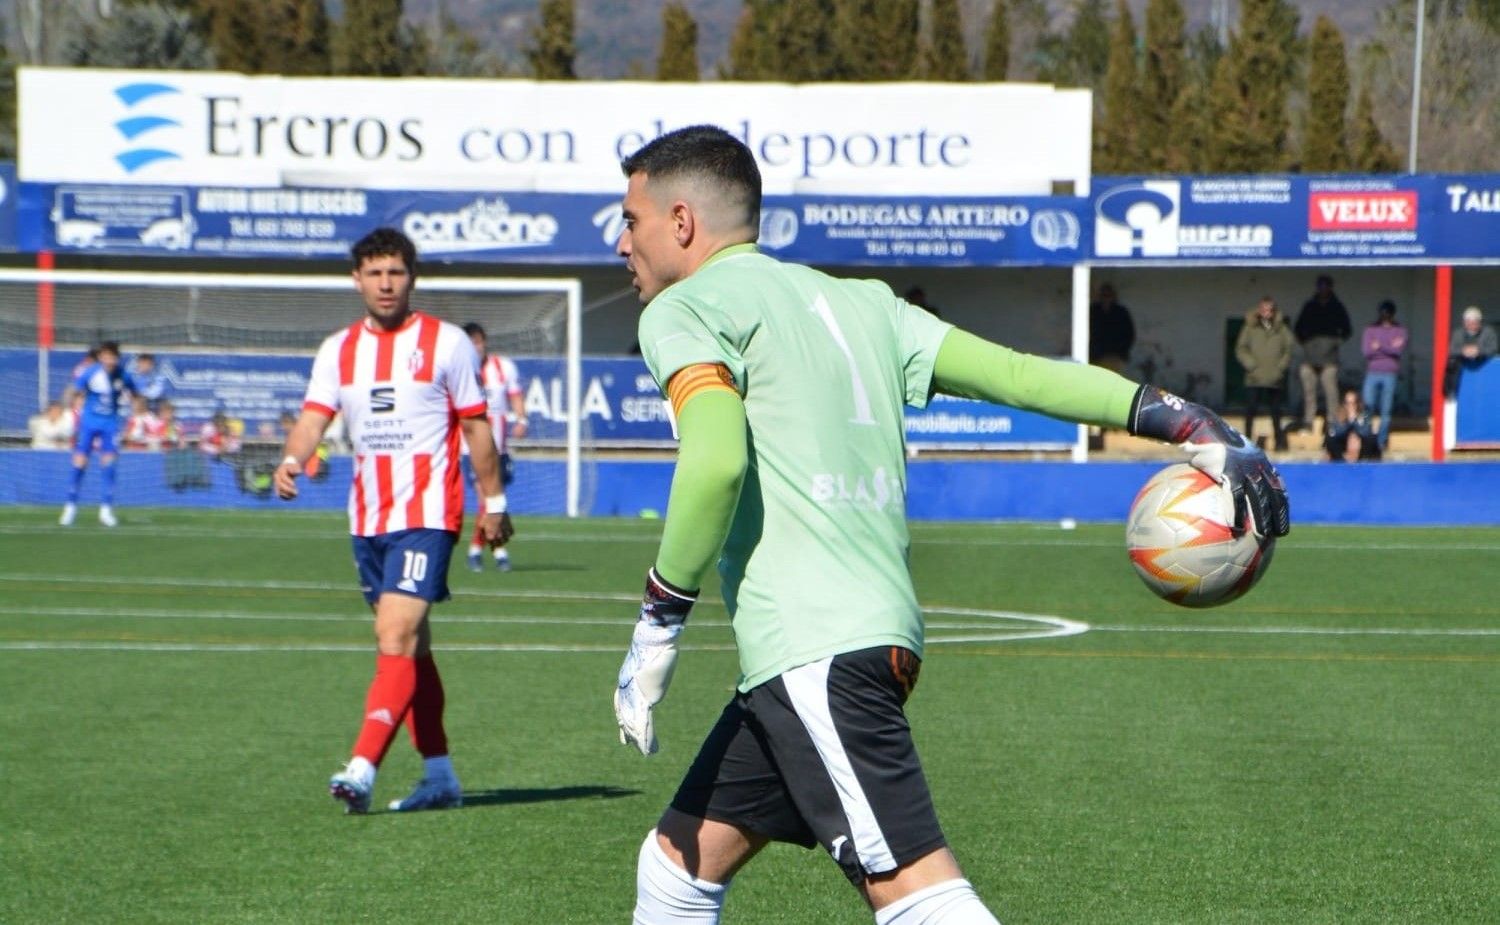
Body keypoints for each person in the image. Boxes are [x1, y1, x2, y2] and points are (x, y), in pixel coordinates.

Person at [609, 125, 1289, 925]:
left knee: (917, 897)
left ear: (681, 221)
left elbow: (717, 458)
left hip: (813, 654)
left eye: (631, 220)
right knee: (676, 866)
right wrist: (1188, 421)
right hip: (859, 645)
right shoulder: (863, 303)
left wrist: (658, 622)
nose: (623, 243)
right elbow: (1018, 374)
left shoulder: (683, 309)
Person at [274, 228, 513, 815]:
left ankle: (361, 768)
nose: (386, 283)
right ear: (357, 279)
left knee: (395, 637)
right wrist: (290, 459)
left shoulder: (448, 343)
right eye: (375, 272)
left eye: (396, 272)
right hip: (367, 520)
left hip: (427, 514)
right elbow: (313, 416)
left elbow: (477, 427)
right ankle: (440, 775)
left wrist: (495, 502)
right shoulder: (337, 350)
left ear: (412, 278)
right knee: (413, 650)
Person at [460, 322, 528, 573]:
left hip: (499, 448)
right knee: (487, 501)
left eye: (478, 342)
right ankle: (491, 552)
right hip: (471, 450)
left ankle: (485, 551)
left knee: (495, 501)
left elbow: (516, 396)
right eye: (471, 343)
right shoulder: (460, 370)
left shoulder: (503, 367)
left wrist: (521, 419)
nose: (476, 347)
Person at [60, 340, 139, 527]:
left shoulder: (123, 375)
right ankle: (70, 507)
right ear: (101, 357)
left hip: (110, 424)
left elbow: (136, 395)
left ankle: (105, 510)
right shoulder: (91, 372)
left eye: (112, 356)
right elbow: (74, 390)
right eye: (105, 355)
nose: (108, 359)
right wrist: (69, 407)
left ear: (117, 358)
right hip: (88, 423)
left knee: (109, 464)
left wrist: (131, 420)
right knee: (80, 461)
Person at [1292, 274, 1351, 432]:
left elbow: (1347, 330)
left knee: (1331, 392)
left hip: (1330, 359)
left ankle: (1332, 422)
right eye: (1320, 286)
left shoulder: (1337, 306)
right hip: (1309, 357)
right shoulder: (1309, 306)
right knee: (1308, 393)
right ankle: (1308, 421)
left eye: (1326, 286)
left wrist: (1334, 343)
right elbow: (1297, 328)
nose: (1323, 289)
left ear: (1330, 288)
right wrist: (1306, 343)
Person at [1234, 296, 1293, 452]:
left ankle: (1279, 442)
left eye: (1270, 310)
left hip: (1274, 377)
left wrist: (1281, 367)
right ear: (1259, 311)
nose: (1267, 313)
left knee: (1276, 411)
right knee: (1251, 409)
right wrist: (1251, 365)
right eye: (1264, 309)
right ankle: (1246, 442)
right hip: (1254, 377)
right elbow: (1241, 349)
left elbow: (1289, 349)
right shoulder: (1250, 327)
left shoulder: (1281, 329)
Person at [1360, 300, 1407, 451]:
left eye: (1388, 313)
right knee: (1368, 407)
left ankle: (1381, 442)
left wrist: (1379, 346)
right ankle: (1365, 439)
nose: (1385, 316)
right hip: (1372, 371)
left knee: (1386, 410)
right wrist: (1389, 348)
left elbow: (1398, 351)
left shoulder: (1400, 330)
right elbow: (1367, 351)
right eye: (1383, 313)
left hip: (1390, 373)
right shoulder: (1370, 330)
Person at [1088, 282, 1135, 374]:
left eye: (1108, 295)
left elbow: (1129, 333)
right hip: (1096, 355)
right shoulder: (1093, 311)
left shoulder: (1121, 312)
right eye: (1104, 295)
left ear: (1113, 296)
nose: (1106, 298)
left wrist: (1121, 351)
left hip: (1116, 355)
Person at [1324, 389, 1381, 462]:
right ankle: (1341, 462)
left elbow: (1366, 433)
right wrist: (1348, 422)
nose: (1350, 406)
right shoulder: (1339, 416)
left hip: (1361, 447)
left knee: (1371, 439)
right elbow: (1335, 433)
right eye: (1347, 403)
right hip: (1343, 445)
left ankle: (1363, 461)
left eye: (1353, 403)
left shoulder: (1364, 415)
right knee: (1331, 440)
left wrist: (1354, 421)